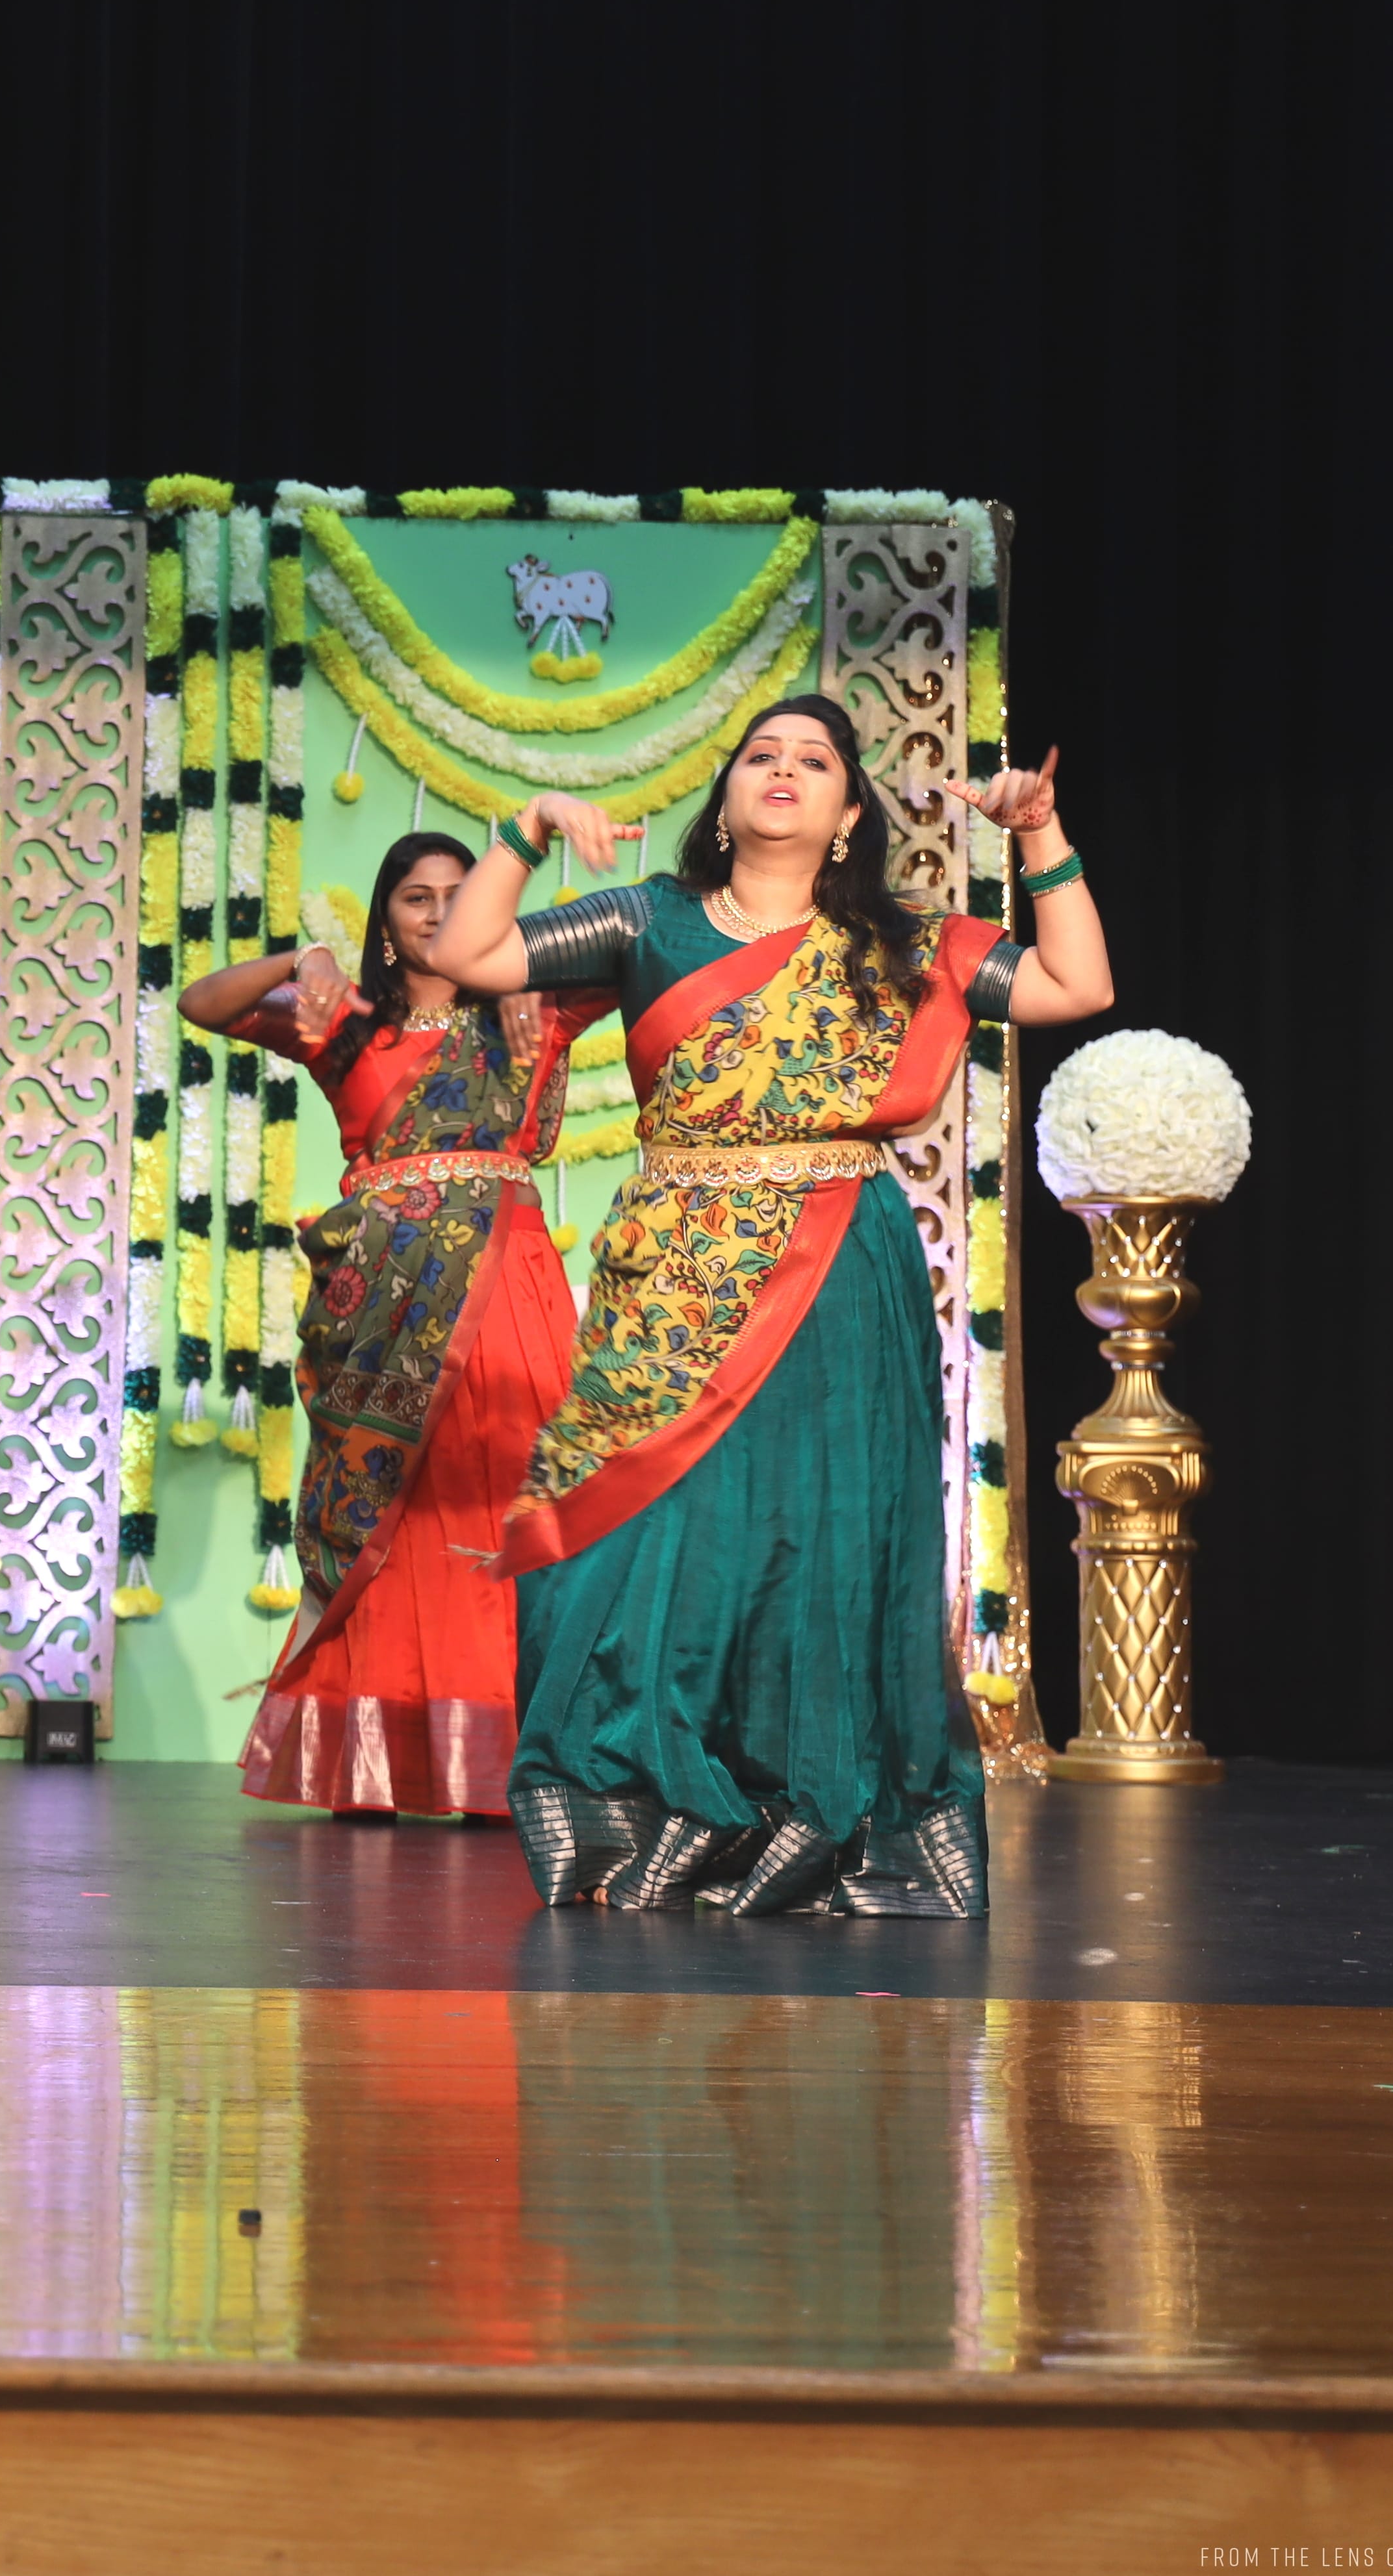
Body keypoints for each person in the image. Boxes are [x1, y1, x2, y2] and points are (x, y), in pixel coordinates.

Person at [428, 694, 1112, 1916]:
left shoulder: (910, 945)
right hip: (672, 1272)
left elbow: (1077, 985)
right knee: (626, 1534)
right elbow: (471, 958)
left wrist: (1041, 836)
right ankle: (645, 1802)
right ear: (726, 797)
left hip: (837, 1263)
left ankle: (817, 1815)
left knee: (818, 1537)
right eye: (761, 756)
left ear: (850, 814)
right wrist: (526, 829)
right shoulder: (648, 920)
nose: (784, 772)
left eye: (814, 762)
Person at [181, 828, 607, 1820]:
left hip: (508, 1294)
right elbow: (203, 1004)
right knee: (388, 1520)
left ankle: (509, 1766)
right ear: (385, 922)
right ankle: (368, 1763)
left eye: (460, 894)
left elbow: (643, 951)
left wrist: (524, 950)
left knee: (506, 1513)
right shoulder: (345, 1022)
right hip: (380, 1310)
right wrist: (301, 959)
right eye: (418, 897)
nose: (440, 912)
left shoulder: (532, 1012)